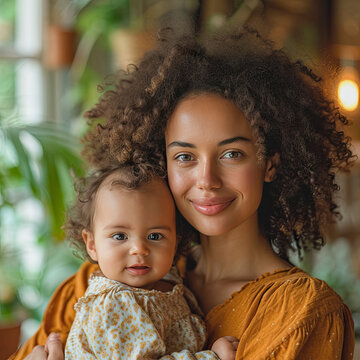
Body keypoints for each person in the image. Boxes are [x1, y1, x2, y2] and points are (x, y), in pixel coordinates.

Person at [13, 28, 355, 360]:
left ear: (270, 164)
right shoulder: (103, 279)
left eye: (232, 154)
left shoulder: (300, 313)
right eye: (184, 157)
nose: (206, 180)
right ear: (162, 162)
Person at [63, 166, 237, 359]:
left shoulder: (170, 279)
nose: (139, 248)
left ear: (175, 242)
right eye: (120, 236)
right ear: (92, 244)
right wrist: (212, 356)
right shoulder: (114, 305)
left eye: (155, 236)